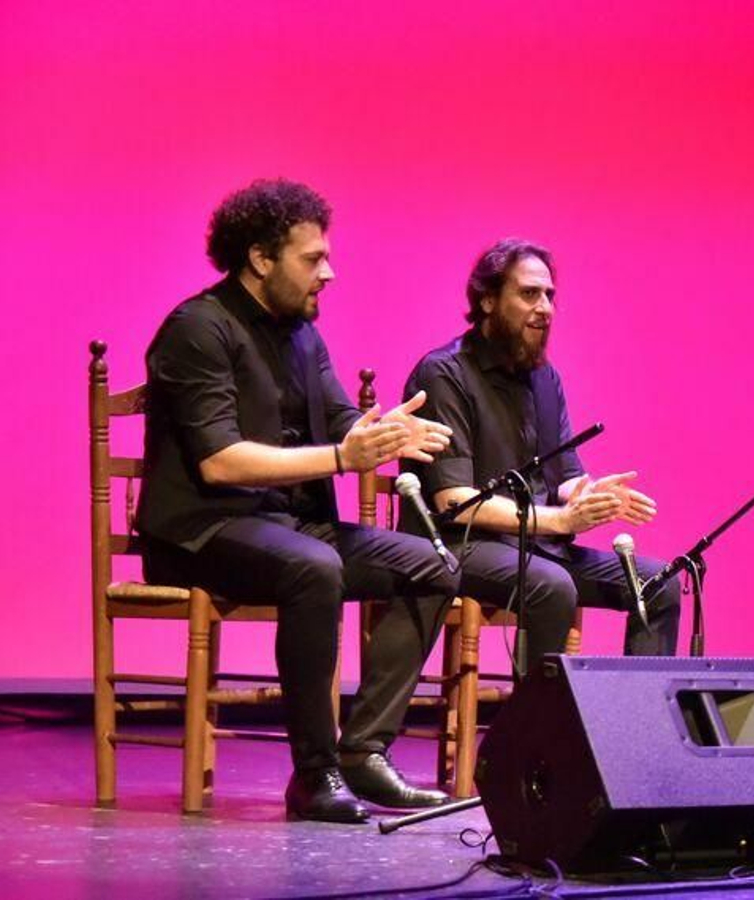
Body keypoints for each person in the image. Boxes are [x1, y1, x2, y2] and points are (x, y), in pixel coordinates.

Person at [136, 179, 458, 822]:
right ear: (260, 257)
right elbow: (220, 461)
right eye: (313, 259)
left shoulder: (302, 336)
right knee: (314, 568)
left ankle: (363, 750)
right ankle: (315, 775)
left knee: (436, 565)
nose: (329, 273)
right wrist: (344, 457)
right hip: (202, 531)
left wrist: (383, 433)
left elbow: (342, 419)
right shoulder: (198, 329)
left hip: (287, 525)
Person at [401, 238, 681, 666]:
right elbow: (453, 502)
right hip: (462, 545)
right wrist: (561, 520)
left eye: (550, 295)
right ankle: (536, 728)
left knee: (659, 584)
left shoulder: (544, 378)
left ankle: (631, 729)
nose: (546, 307)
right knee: (552, 585)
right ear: (489, 300)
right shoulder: (445, 373)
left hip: (537, 547)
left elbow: (563, 477)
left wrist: (588, 497)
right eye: (530, 293)